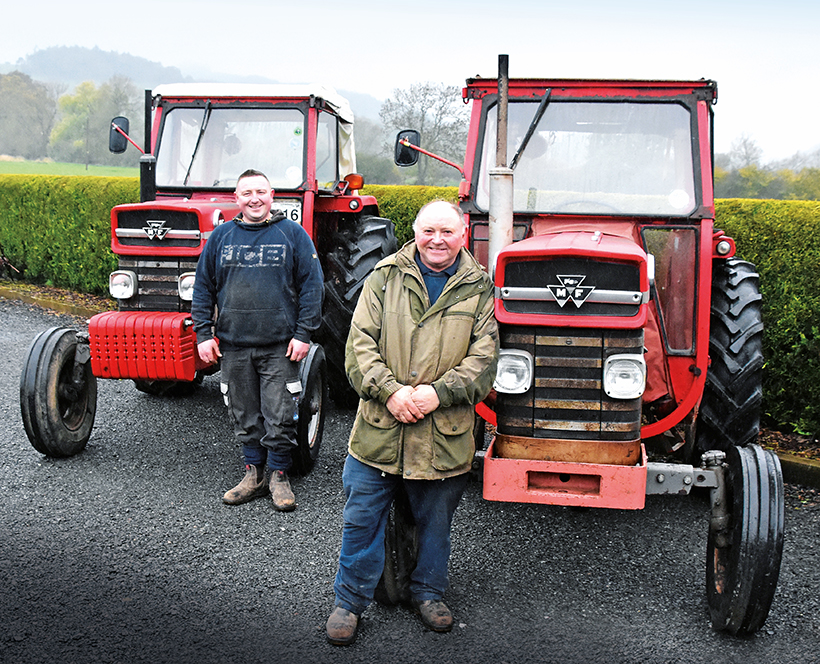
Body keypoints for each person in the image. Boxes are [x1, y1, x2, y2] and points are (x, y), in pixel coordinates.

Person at [326, 200, 499, 645]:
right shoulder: (384, 275)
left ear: (463, 235)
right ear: (415, 232)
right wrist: (392, 391)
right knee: (361, 518)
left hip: (443, 435)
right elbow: (359, 344)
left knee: (434, 522)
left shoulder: (479, 287)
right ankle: (349, 602)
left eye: (446, 232)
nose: (436, 240)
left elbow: (484, 361)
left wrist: (434, 394)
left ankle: (429, 593)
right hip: (380, 429)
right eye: (428, 231)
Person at [191, 169, 323, 511]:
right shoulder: (221, 237)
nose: (254, 199)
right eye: (247, 192)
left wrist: (304, 333)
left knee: (280, 413)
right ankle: (254, 474)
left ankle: (279, 476)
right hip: (233, 345)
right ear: (237, 198)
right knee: (243, 412)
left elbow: (312, 287)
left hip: (280, 345)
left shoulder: (293, 235)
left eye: (260, 192)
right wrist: (203, 334)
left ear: (271, 195)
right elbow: (203, 288)